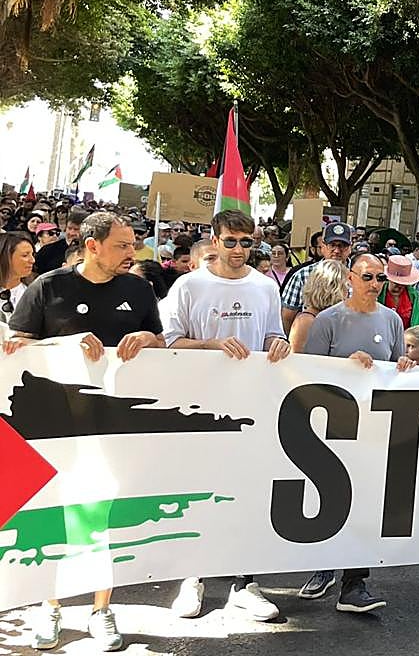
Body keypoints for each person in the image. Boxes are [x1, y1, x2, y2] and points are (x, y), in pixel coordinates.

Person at [5, 211, 165, 651]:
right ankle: (49, 606)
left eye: (133, 244)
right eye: (122, 246)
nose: (131, 253)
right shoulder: (49, 287)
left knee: (105, 516)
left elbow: (160, 341)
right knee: (54, 514)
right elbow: (16, 346)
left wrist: (148, 341)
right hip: (54, 426)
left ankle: (101, 608)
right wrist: (63, 343)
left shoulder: (138, 288)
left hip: (116, 425)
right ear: (92, 246)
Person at [164, 209, 291, 622]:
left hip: (252, 404)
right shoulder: (189, 284)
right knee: (199, 491)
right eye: (231, 242)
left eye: (246, 242)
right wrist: (211, 346)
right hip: (198, 405)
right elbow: (168, 344)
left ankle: (244, 582)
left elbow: (275, 334)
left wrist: (279, 345)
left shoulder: (265, 286)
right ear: (214, 242)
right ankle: (192, 577)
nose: (239, 250)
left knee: (248, 492)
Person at [296, 252, 411, 613]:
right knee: (328, 499)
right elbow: (311, 371)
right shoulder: (329, 320)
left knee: (365, 503)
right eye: (367, 277)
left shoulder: (392, 320)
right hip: (333, 428)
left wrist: (405, 365)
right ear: (350, 277)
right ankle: (322, 566)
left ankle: (354, 582)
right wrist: (345, 367)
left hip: (374, 427)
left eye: (380, 278)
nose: (374, 285)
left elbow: (395, 368)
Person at [281, 222, 353, 332]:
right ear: (323, 247)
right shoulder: (302, 275)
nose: (337, 250)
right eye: (332, 245)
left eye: (342, 246)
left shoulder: (360, 276)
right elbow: (287, 316)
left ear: (350, 248)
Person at [287, 260, 350, 353]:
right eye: (346, 287)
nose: (348, 292)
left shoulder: (334, 318)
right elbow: (298, 360)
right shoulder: (307, 321)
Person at [0, 232, 34, 327]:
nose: (32, 260)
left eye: (32, 254)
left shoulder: (36, 291)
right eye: (25, 255)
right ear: (5, 257)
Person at [379, 254, 419, 327]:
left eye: (403, 283)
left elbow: (417, 322)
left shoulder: (412, 295)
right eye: (395, 282)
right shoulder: (379, 291)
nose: (399, 286)